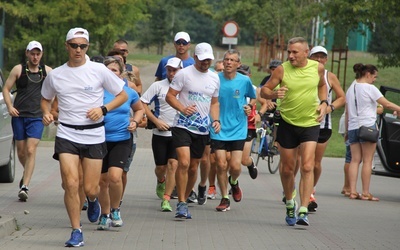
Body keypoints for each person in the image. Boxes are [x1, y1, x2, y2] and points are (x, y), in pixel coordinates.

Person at [41, 27, 128, 247]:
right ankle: (76, 230)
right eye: (74, 45)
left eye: (83, 46)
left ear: (87, 47)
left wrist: (104, 109)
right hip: (67, 133)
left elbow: (122, 95)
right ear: (67, 46)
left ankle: (92, 199)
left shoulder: (98, 70)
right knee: (71, 183)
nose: (78, 50)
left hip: (94, 135)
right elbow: (45, 99)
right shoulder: (56, 74)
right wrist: (47, 113)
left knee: (90, 187)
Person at [261, 37, 328, 226]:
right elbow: (264, 90)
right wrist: (273, 94)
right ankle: (290, 201)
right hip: (288, 123)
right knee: (288, 169)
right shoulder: (282, 69)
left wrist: (323, 103)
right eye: (289, 52)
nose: (290, 55)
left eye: (294, 52)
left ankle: (303, 210)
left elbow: (322, 86)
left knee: (307, 166)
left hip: (310, 123)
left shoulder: (317, 68)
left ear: (306, 52)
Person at [166, 42, 220, 219]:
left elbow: (214, 103)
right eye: (202, 59)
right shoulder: (184, 74)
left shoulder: (214, 78)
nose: (205, 63)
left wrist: (216, 120)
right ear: (195, 57)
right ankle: (181, 203)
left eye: (208, 60)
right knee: (183, 162)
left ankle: (186, 197)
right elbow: (170, 96)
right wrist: (182, 108)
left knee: (193, 167)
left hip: (202, 129)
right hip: (182, 125)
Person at [97, 57, 144, 230]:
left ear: (121, 73)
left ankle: (115, 210)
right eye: (108, 70)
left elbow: (139, 109)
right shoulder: (96, 91)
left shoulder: (128, 91)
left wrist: (135, 121)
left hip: (122, 139)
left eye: (114, 70)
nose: (111, 73)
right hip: (99, 140)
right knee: (102, 181)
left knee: (115, 177)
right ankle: (104, 213)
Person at [2, 41, 52, 201]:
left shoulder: (47, 72)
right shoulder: (19, 70)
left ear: (42, 55)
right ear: (27, 53)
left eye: (38, 54)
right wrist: (9, 106)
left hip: (37, 117)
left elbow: (57, 91)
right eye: (32, 53)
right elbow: (6, 88)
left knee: (31, 150)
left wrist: (51, 112)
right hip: (19, 116)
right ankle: (26, 174)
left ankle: (25, 186)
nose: (35, 57)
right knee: (21, 152)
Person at [345, 63, 400, 202]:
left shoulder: (351, 88)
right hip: (367, 126)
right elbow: (386, 104)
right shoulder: (370, 88)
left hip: (353, 126)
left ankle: (352, 191)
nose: (375, 79)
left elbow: (347, 111)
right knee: (368, 160)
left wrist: (347, 129)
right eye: (374, 76)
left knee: (355, 160)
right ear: (368, 74)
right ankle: (365, 192)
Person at [211, 50, 256, 212]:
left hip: (238, 128)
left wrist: (249, 106)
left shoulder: (244, 81)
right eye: (226, 60)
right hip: (218, 127)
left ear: (238, 64)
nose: (228, 62)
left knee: (236, 166)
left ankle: (234, 182)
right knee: (221, 164)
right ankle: (224, 197)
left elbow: (254, 96)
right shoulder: (215, 79)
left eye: (232, 60)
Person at [305, 46, 346, 211]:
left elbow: (342, 97)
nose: (319, 60)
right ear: (309, 57)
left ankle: (311, 190)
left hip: (323, 124)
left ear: (326, 60)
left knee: (315, 163)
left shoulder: (330, 76)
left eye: (322, 57)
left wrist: (330, 107)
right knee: (303, 162)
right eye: (316, 56)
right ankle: (302, 192)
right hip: (303, 122)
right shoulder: (302, 73)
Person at [141, 57, 182, 212]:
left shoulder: (185, 87)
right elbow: (142, 103)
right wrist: (155, 121)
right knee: (161, 167)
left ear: (181, 70)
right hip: (160, 133)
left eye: (175, 70)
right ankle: (161, 180)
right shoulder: (158, 86)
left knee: (173, 165)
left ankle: (167, 198)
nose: (172, 73)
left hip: (178, 133)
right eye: (169, 70)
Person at [236, 64, 258, 179]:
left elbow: (264, 102)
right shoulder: (233, 86)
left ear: (249, 75)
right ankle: (233, 182)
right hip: (234, 125)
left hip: (248, 125)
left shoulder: (253, 88)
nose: (242, 76)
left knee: (243, 160)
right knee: (231, 160)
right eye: (239, 73)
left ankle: (250, 163)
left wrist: (259, 114)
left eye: (244, 74)